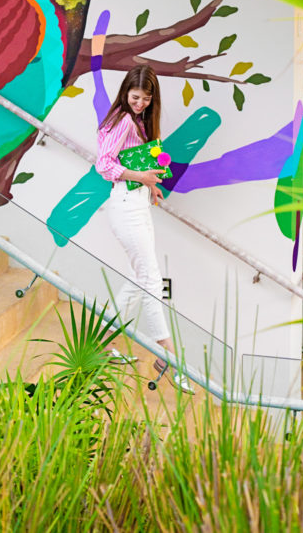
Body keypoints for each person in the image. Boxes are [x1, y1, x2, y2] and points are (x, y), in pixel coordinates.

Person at [95, 65, 194, 394]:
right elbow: (104, 164)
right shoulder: (122, 119)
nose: (139, 104)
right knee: (150, 278)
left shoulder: (137, 121)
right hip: (125, 207)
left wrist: (150, 186)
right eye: (135, 97)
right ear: (125, 92)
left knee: (140, 278)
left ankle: (102, 344)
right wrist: (143, 179)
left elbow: (132, 162)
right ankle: (166, 354)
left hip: (135, 205)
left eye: (146, 99)